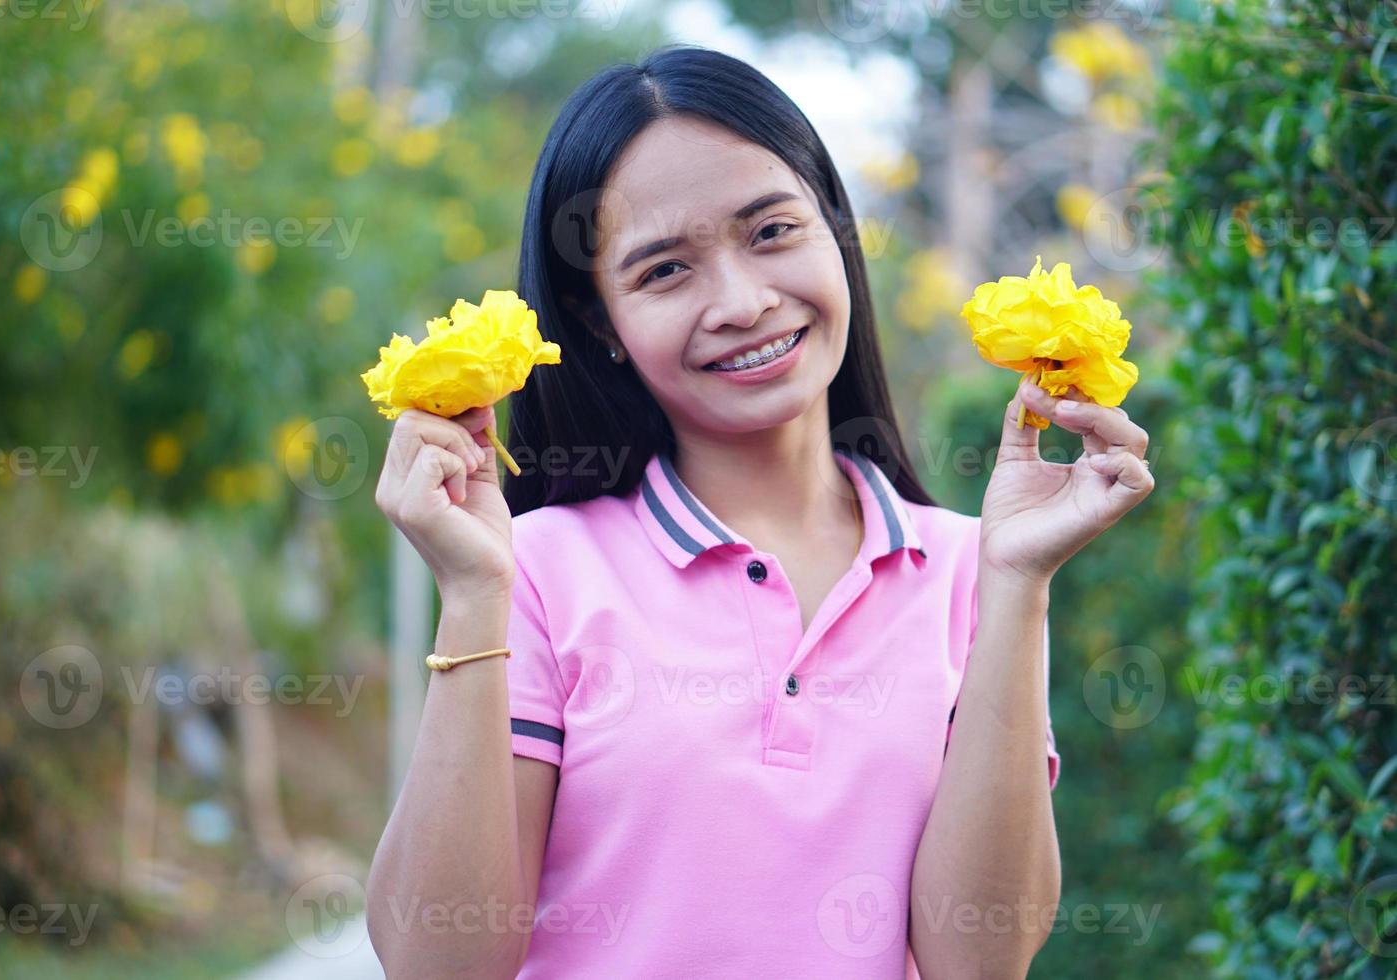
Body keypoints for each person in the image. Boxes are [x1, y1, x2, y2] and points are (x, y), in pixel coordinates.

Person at [366, 44, 1154, 980]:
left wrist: (1018, 582)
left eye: (772, 231)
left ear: (836, 233)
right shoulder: (530, 571)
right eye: (664, 271)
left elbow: (978, 962)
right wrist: (469, 594)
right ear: (600, 327)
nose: (742, 302)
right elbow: (435, 963)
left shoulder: (973, 568)